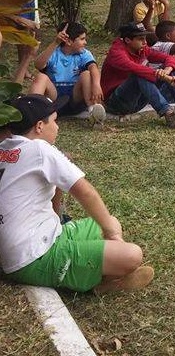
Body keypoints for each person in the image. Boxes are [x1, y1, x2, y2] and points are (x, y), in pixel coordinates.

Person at [0, 94, 153, 293]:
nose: (58, 127)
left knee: (111, 220)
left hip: (31, 242)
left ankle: (99, 268)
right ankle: (100, 284)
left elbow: (51, 193)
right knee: (132, 255)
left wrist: (107, 227)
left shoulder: (6, 148)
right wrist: (112, 234)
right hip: (30, 257)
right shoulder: (40, 149)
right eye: (54, 121)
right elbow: (85, 192)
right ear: (39, 126)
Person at [100, 23, 175, 130]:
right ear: (128, 40)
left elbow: (170, 58)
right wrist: (166, 77)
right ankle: (168, 114)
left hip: (137, 102)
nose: (145, 42)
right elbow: (137, 69)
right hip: (116, 102)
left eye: (145, 38)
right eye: (140, 39)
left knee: (167, 67)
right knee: (140, 74)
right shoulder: (117, 53)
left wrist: (167, 71)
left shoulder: (142, 49)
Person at [30, 21, 107, 122]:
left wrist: (96, 85)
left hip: (75, 98)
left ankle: (93, 111)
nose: (85, 42)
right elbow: (38, 65)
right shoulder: (54, 53)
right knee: (41, 77)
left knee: (87, 74)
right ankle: (32, 111)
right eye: (82, 39)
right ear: (69, 41)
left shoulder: (84, 54)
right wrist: (55, 42)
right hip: (54, 98)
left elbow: (93, 67)